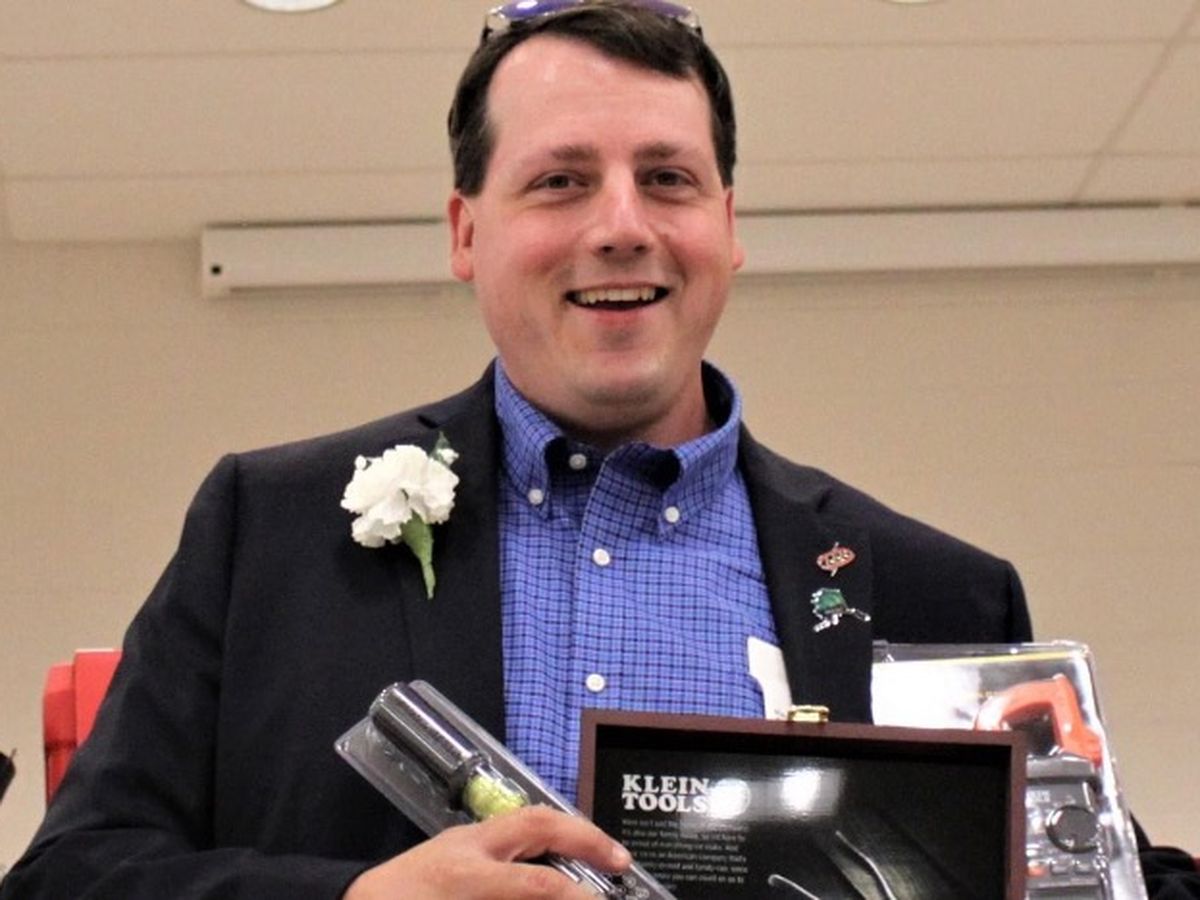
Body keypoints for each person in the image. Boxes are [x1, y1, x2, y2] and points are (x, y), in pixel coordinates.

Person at [2, 2, 1193, 898]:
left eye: (666, 179)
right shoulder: (268, 531)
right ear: (467, 232)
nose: (621, 226)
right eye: (561, 181)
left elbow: (1096, 878)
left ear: (728, 226)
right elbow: (69, 878)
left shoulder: (938, 591)